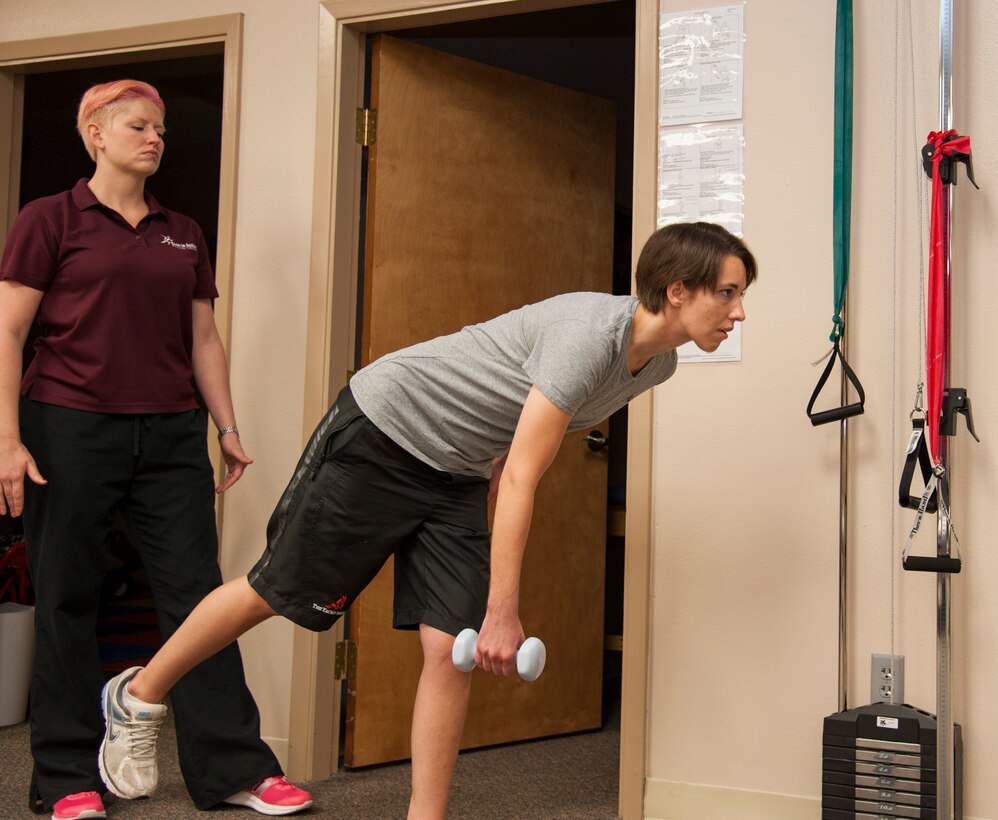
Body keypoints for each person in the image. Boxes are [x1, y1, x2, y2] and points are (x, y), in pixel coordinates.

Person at [98, 220, 757, 819]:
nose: (739, 310)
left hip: (458, 472)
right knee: (274, 592)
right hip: (385, 433)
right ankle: (139, 694)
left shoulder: (658, 365)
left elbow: (515, 456)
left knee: (449, 647)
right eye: (728, 293)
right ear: (677, 290)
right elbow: (525, 475)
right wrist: (504, 609)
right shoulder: (588, 337)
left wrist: (485, 577)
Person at [0, 80, 312, 819]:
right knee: (67, 594)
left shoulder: (183, 231)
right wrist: (8, 439)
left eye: (161, 130)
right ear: (94, 135)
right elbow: (9, 332)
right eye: (137, 126)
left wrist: (227, 427)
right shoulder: (48, 220)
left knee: (199, 598)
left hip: (171, 432)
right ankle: (67, 778)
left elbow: (203, 337)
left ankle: (234, 768)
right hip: (68, 424)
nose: (154, 139)